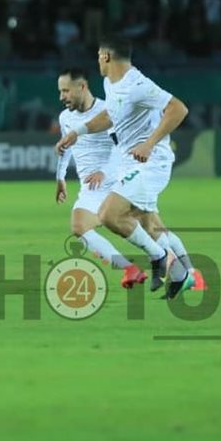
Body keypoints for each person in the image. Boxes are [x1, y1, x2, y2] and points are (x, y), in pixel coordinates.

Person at [55, 38, 202, 300]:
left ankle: (162, 261)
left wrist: (149, 143)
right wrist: (78, 132)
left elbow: (178, 109)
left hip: (150, 163)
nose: (97, 60)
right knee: (150, 224)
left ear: (106, 56)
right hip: (130, 164)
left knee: (111, 214)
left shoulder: (137, 84)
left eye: (99, 55)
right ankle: (185, 273)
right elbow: (110, 116)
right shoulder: (110, 84)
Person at [53, 69, 147, 288]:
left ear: (82, 87)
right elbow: (66, 147)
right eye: (60, 91)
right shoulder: (65, 118)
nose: (61, 97)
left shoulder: (107, 111)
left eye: (65, 91)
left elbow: (121, 146)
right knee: (79, 226)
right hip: (91, 188)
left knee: (148, 231)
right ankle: (130, 269)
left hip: (117, 182)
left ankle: (182, 268)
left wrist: (104, 171)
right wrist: (60, 178)